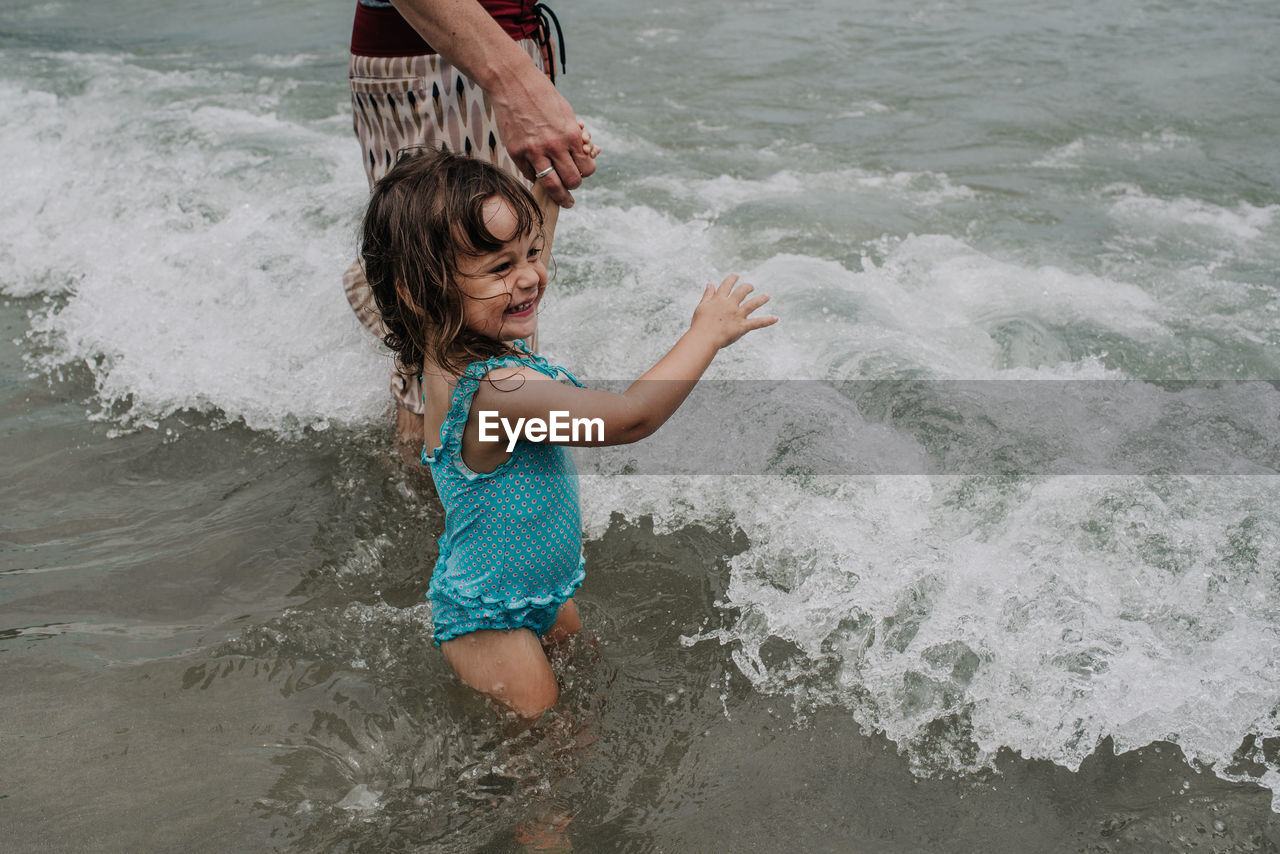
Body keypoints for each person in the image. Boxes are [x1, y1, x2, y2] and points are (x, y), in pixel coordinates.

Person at [360, 149, 777, 721]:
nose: (531, 275)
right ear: (422, 291)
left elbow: (514, 277)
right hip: (490, 621)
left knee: (588, 689)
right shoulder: (498, 393)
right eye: (501, 267)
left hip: (534, 592)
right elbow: (632, 417)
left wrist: (546, 195)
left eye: (530, 252)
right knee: (551, 754)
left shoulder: (461, 351)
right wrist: (704, 334)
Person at [345, 0, 597, 441]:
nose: (533, 275)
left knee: (470, 338)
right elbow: (632, 419)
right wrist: (516, 84)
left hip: (479, 47)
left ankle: (438, 495)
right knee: (462, 350)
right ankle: (439, 503)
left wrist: (549, 185)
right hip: (453, 52)